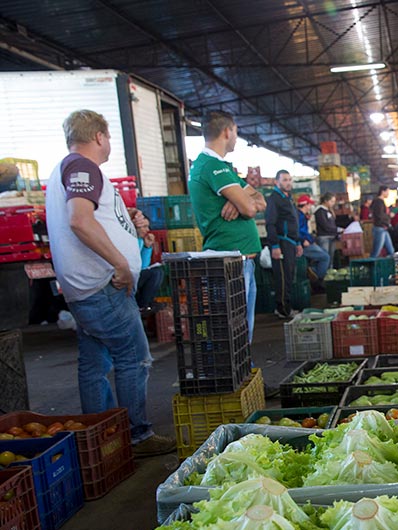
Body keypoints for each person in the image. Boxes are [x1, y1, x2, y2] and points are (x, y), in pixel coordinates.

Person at [45, 109, 175, 456]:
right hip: (103, 286)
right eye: (109, 138)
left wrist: (126, 221)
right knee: (134, 358)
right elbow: (80, 221)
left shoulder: (67, 170)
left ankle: (99, 438)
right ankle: (137, 435)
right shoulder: (83, 167)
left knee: (94, 364)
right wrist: (121, 263)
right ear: (100, 137)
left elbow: (91, 216)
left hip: (84, 289)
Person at [189, 110, 266, 342]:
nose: (236, 137)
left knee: (242, 327)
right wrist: (242, 202)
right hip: (230, 262)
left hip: (241, 262)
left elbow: (260, 199)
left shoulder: (223, 169)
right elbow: (251, 209)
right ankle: (231, 376)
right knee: (233, 329)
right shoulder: (213, 167)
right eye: (235, 131)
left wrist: (239, 201)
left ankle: (240, 373)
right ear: (226, 131)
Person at [265, 170, 303, 319]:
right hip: (282, 242)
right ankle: (283, 309)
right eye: (285, 180)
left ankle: (286, 307)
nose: (288, 183)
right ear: (277, 182)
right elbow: (270, 223)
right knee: (282, 277)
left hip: (291, 242)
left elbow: (294, 222)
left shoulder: (288, 198)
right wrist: (274, 245)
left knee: (288, 277)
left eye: (289, 180)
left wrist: (298, 242)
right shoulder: (274, 199)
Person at [296, 194, 331, 282]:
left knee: (324, 253)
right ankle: (317, 279)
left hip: (306, 242)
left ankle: (312, 270)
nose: (311, 206)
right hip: (302, 245)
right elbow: (297, 231)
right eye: (309, 204)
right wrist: (303, 240)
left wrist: (312, 240)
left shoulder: (302, 216)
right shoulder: (299, 216)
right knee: (325, 257)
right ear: (305, 205)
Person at [135, 232, 164, 310]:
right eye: (144, 226)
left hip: (136, 272)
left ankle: (147, 302)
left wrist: (147, 246)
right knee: (155, 273)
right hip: (127, 274)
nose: (147, 230)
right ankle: (142, 304)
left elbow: (144, 265)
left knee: (158, 271)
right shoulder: (132, 240)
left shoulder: (141, 240)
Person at [314, 191, 341, 270]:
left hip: (331, 236)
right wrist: (337, 229)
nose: (333, 203)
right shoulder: (320, 211)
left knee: (330, 257)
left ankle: (330, 271)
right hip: (324, 237)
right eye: (331, 201)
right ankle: (323, 273)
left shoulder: (328, 211)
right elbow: (325, 225)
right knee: (324, 257)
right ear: (326, 201)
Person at [370, 186, 395, 258]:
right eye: (387, 192)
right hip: (379, 228)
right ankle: (369, 266)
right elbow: (379, 215)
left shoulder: (380, 201)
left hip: (383, 228)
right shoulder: (378, 202)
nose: (388, 194)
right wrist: (389, 216)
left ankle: (390, 266)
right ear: (382, 191)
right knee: (376, 252)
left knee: (391, 251)